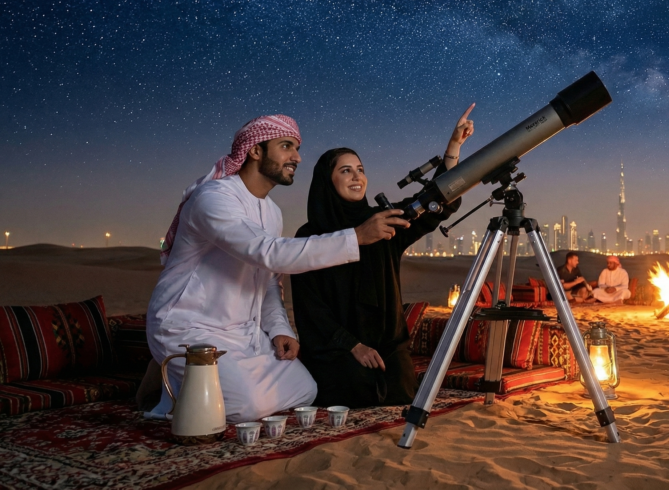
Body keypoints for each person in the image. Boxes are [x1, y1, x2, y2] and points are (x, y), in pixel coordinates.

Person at [146, 115, 407, 423]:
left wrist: (280, 329)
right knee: (245, 406)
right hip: (189, 327)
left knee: (307, 390)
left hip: (245, 335)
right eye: (286, 147)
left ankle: (196, 385)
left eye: (296, 148)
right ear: (255, 151)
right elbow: (268, 254)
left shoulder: (271, 212)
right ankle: (172, 388)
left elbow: (268, 282)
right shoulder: (213, 199)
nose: (296, 157)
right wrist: (356, 237)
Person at [291, 105, 474, 408]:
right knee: (351, 388)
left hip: (388, 348)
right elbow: (311, 310)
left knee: (400, 390)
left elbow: (434, 201)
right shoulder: (310, 236)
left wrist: (452, 149)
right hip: (337, 348)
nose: (356, 177)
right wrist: (353, 346)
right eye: (345, 170)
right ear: (327, 180)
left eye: (360, 169)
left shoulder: (383, 220)